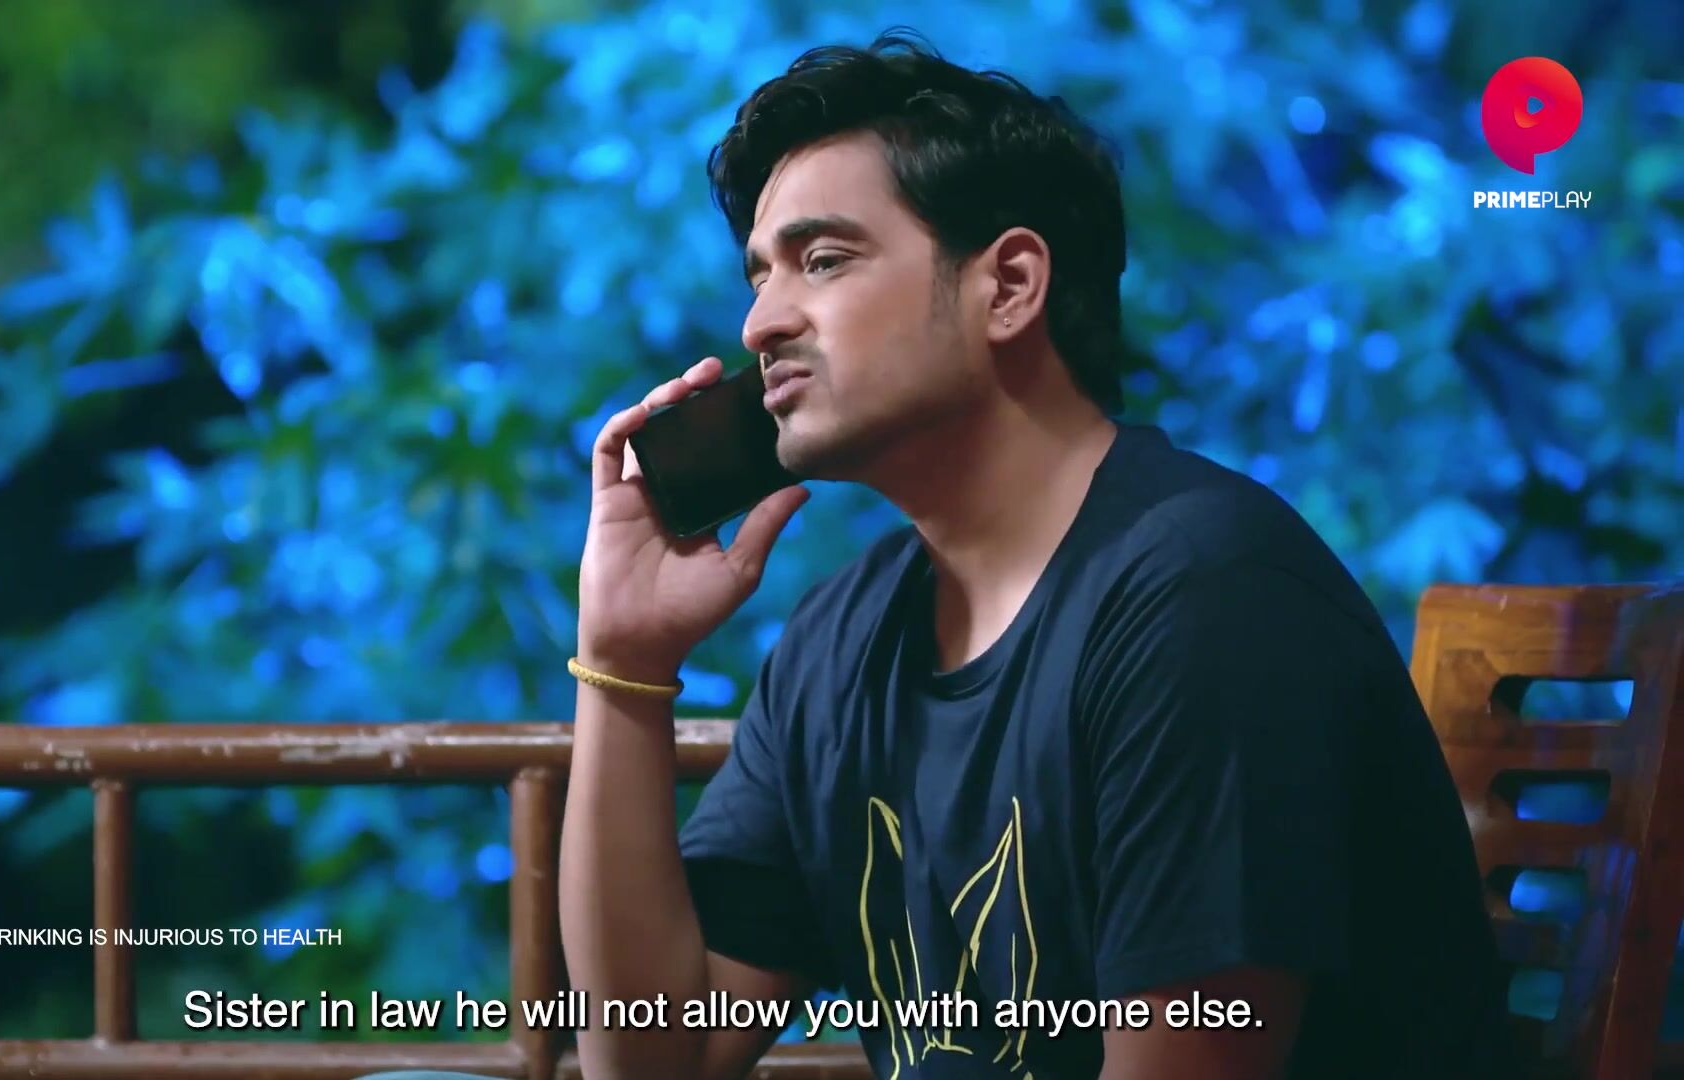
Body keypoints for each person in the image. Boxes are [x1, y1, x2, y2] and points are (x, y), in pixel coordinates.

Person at [364, 27, 1513, 1080]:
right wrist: (622, 663)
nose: (762, 323)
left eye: (823, 260)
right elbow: (657, 1061)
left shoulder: (1206, 598)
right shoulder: (842, 639)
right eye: (760, 275)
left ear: (1007, 286)